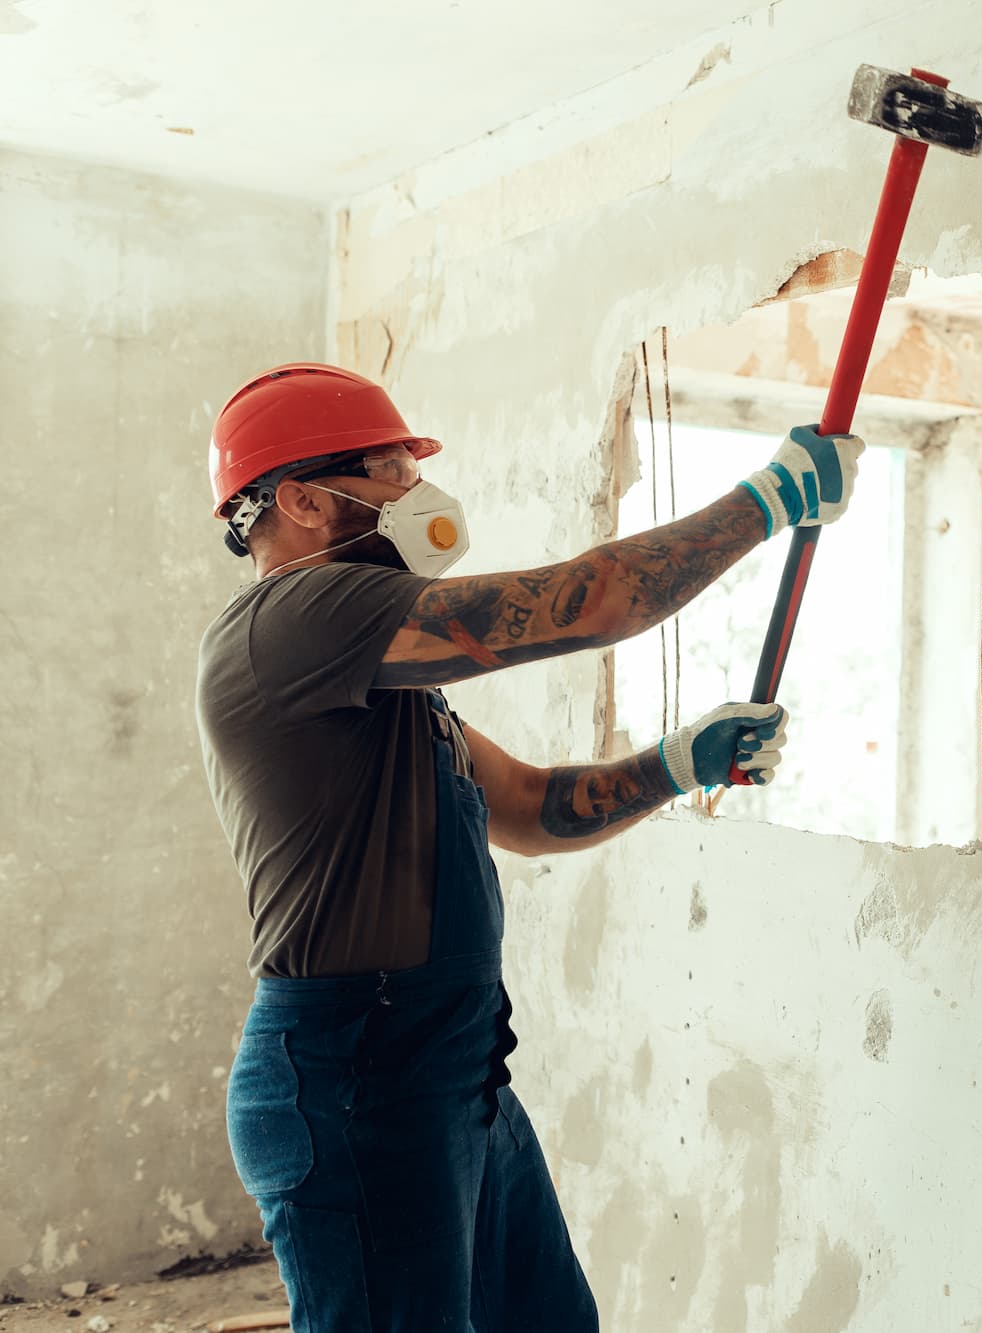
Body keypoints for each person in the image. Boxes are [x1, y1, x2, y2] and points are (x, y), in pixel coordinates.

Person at [193, 362, 862, 1331]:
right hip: (356, 1080)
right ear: (300, 499)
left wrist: (680, 760)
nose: (415, 496)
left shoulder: (386, 693)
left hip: (451, 1072)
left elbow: (535, 807)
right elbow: (592, 601)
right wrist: (766, 502)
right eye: (388, 473)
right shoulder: (294, 615)